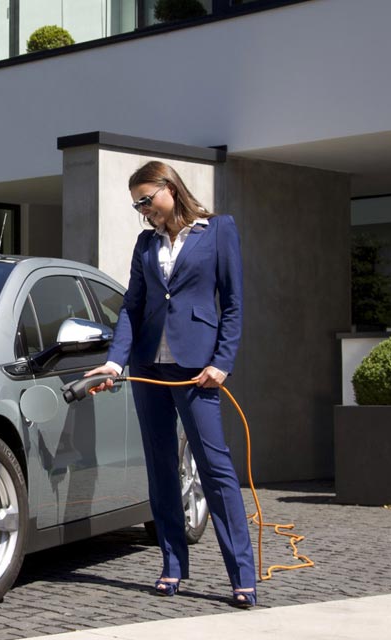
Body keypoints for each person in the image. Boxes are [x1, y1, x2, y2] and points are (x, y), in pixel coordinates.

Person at [84, 161, 257, 608]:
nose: (144, 210)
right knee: (161, 468)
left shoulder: (218, 230)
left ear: (171, 188)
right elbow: (132, 307)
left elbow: (233, 303)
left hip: (197, 367)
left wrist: (222, 362)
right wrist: (114, 362)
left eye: (147, 199)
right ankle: (172, 566)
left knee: (215, 468)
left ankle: (242, 575)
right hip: (148, 365)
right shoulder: (146, 243)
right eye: (137, 205)